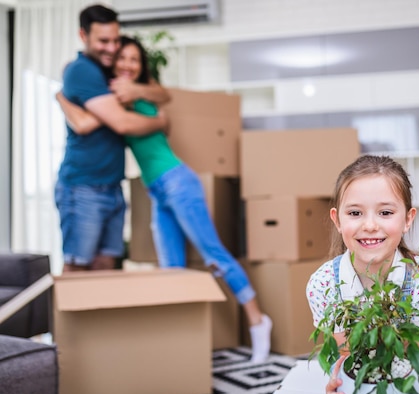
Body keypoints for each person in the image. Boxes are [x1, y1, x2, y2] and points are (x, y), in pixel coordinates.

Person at [55, 35, 273, 363]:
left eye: (135, 60)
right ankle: (182, 345)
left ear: (142, 66)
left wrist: (62, 96)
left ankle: (258, 321)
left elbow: (158, 97)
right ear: (112, 63)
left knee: (213, 253)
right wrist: (62, 93)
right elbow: (94, 119)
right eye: (122, 59)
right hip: (156, 190)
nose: (128, 65)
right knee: (172, 268)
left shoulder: (132, 92)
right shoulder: (116, 95)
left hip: (178, 181)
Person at [306, 155, 419, 394]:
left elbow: (412, 353)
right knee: (341, 389)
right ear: (338, 220)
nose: (370, 225)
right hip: (355, 360)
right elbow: (347, 352)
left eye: (385, 212)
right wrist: (340, 383)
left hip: (415, 360)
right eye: (355, 213)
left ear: (408, 218)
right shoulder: (323, 282)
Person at [56, 4, 169, 272]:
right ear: (83, 36)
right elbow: (121, 123)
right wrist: (160, 122)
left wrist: (134, 90)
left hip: (111, 187)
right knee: (77, 267)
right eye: (103, 41)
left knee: (105, 267)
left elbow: (163, 94)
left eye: (115, 40)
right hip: (83, 187)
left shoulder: (109, 70)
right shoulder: (82, 71)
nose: (111, 47)